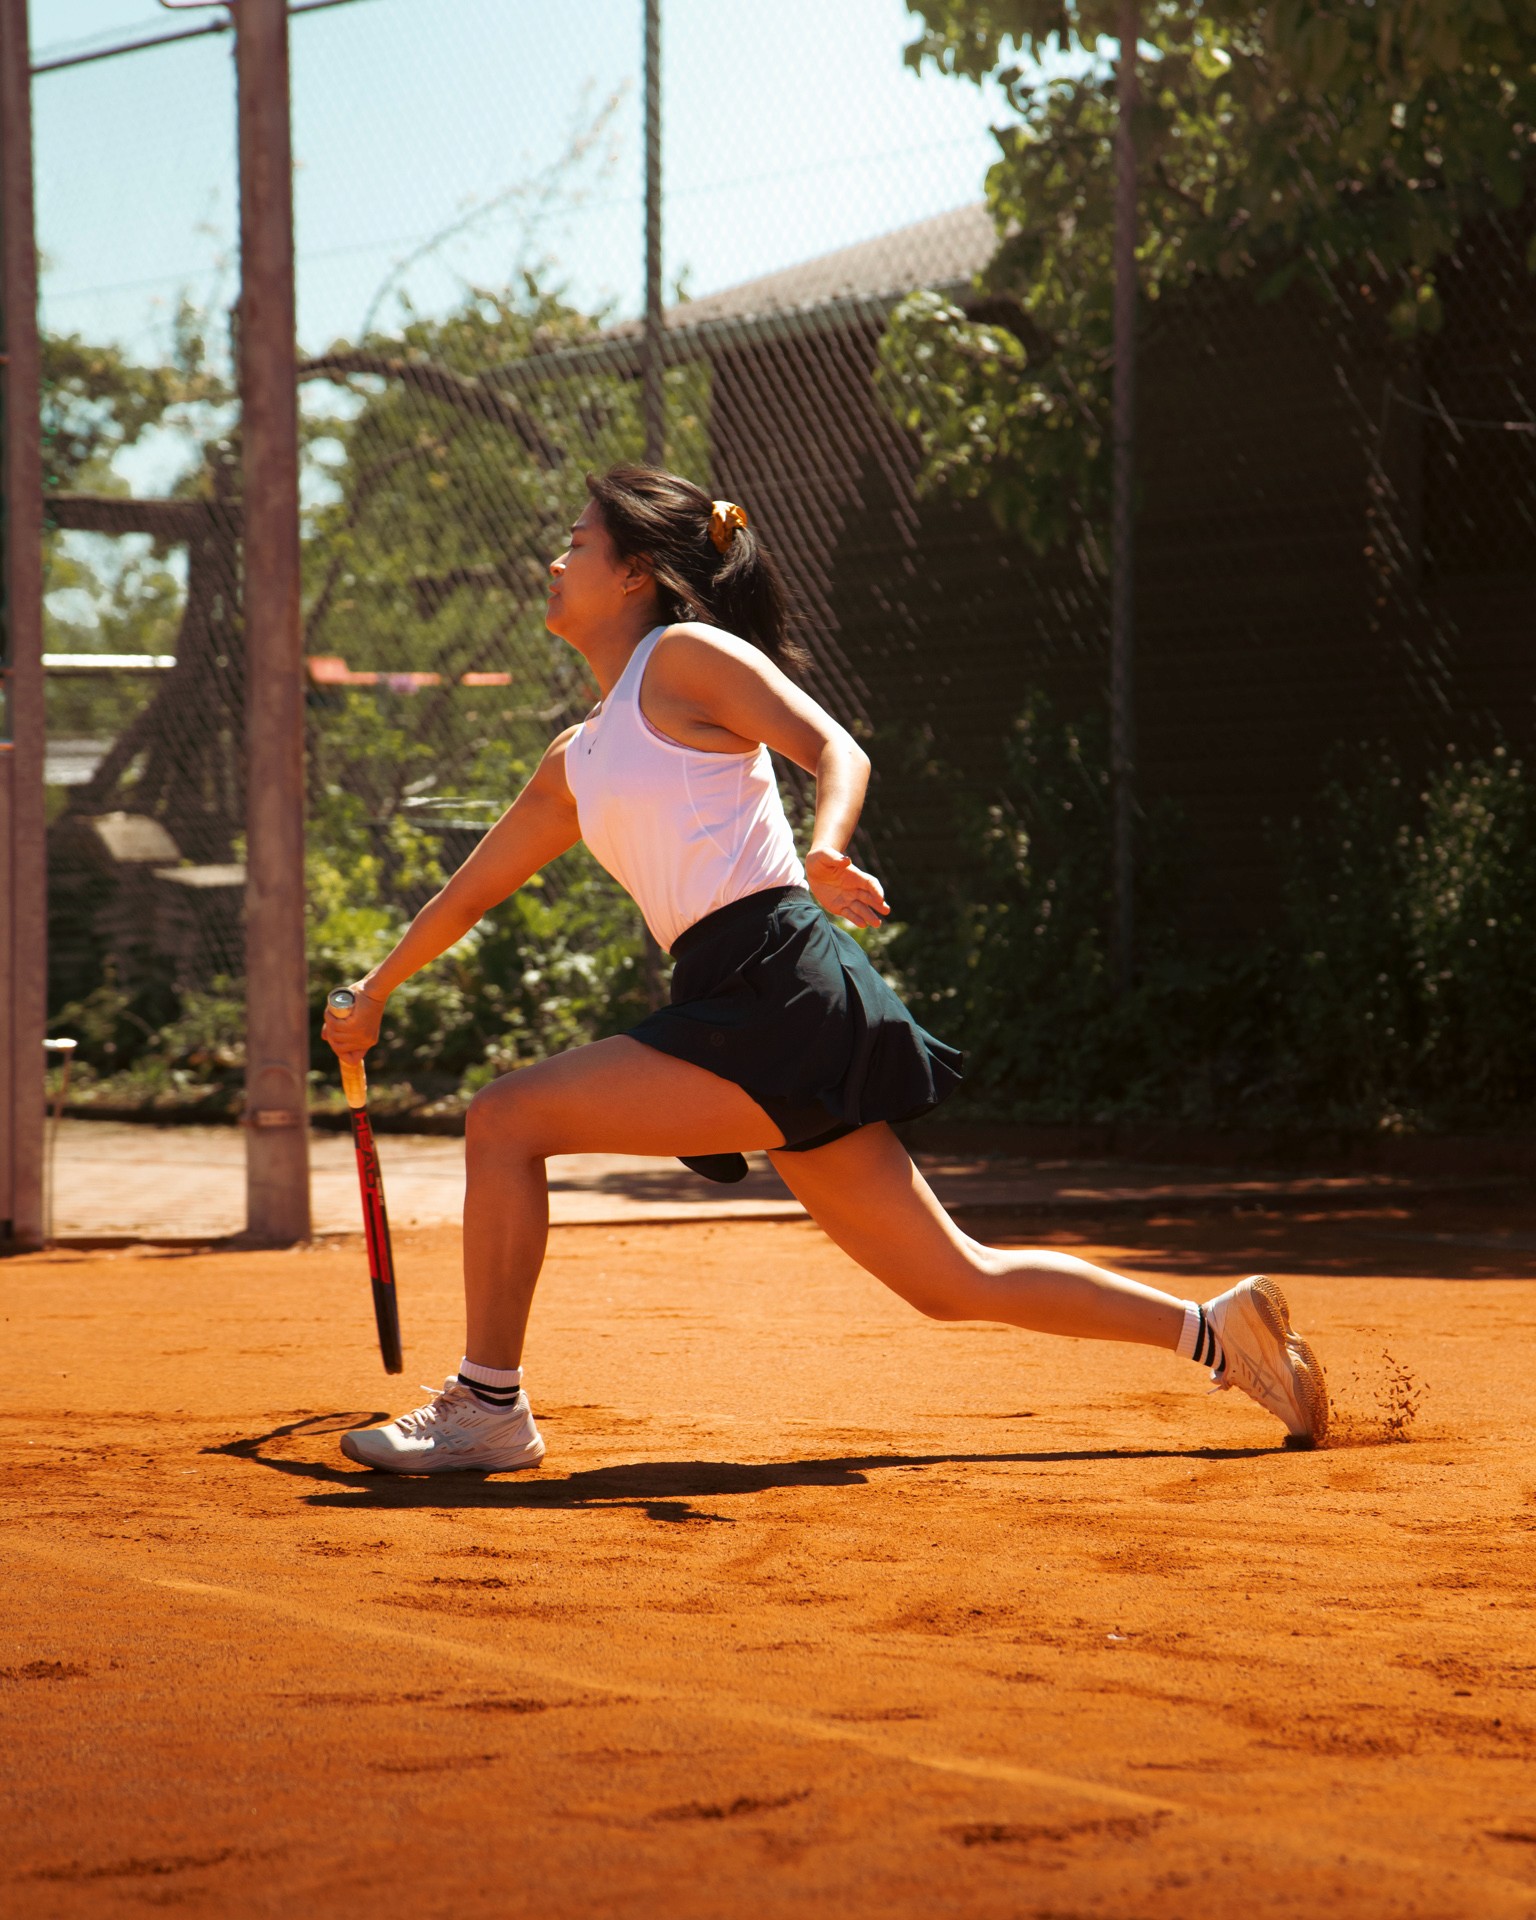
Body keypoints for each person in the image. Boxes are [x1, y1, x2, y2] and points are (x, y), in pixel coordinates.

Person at [324, 464, 1328, 1473]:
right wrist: (376, 991)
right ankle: (1216, 1329)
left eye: (577, 542)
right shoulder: (577, 756)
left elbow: (832, 745)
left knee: (506, 1118)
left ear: (635, 572)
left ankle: (488, 1404)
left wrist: (828, 846)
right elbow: (469, 891)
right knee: (951, 1280)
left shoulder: (683, 658)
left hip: (776, 980)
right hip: (747, 995)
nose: (554, 560)